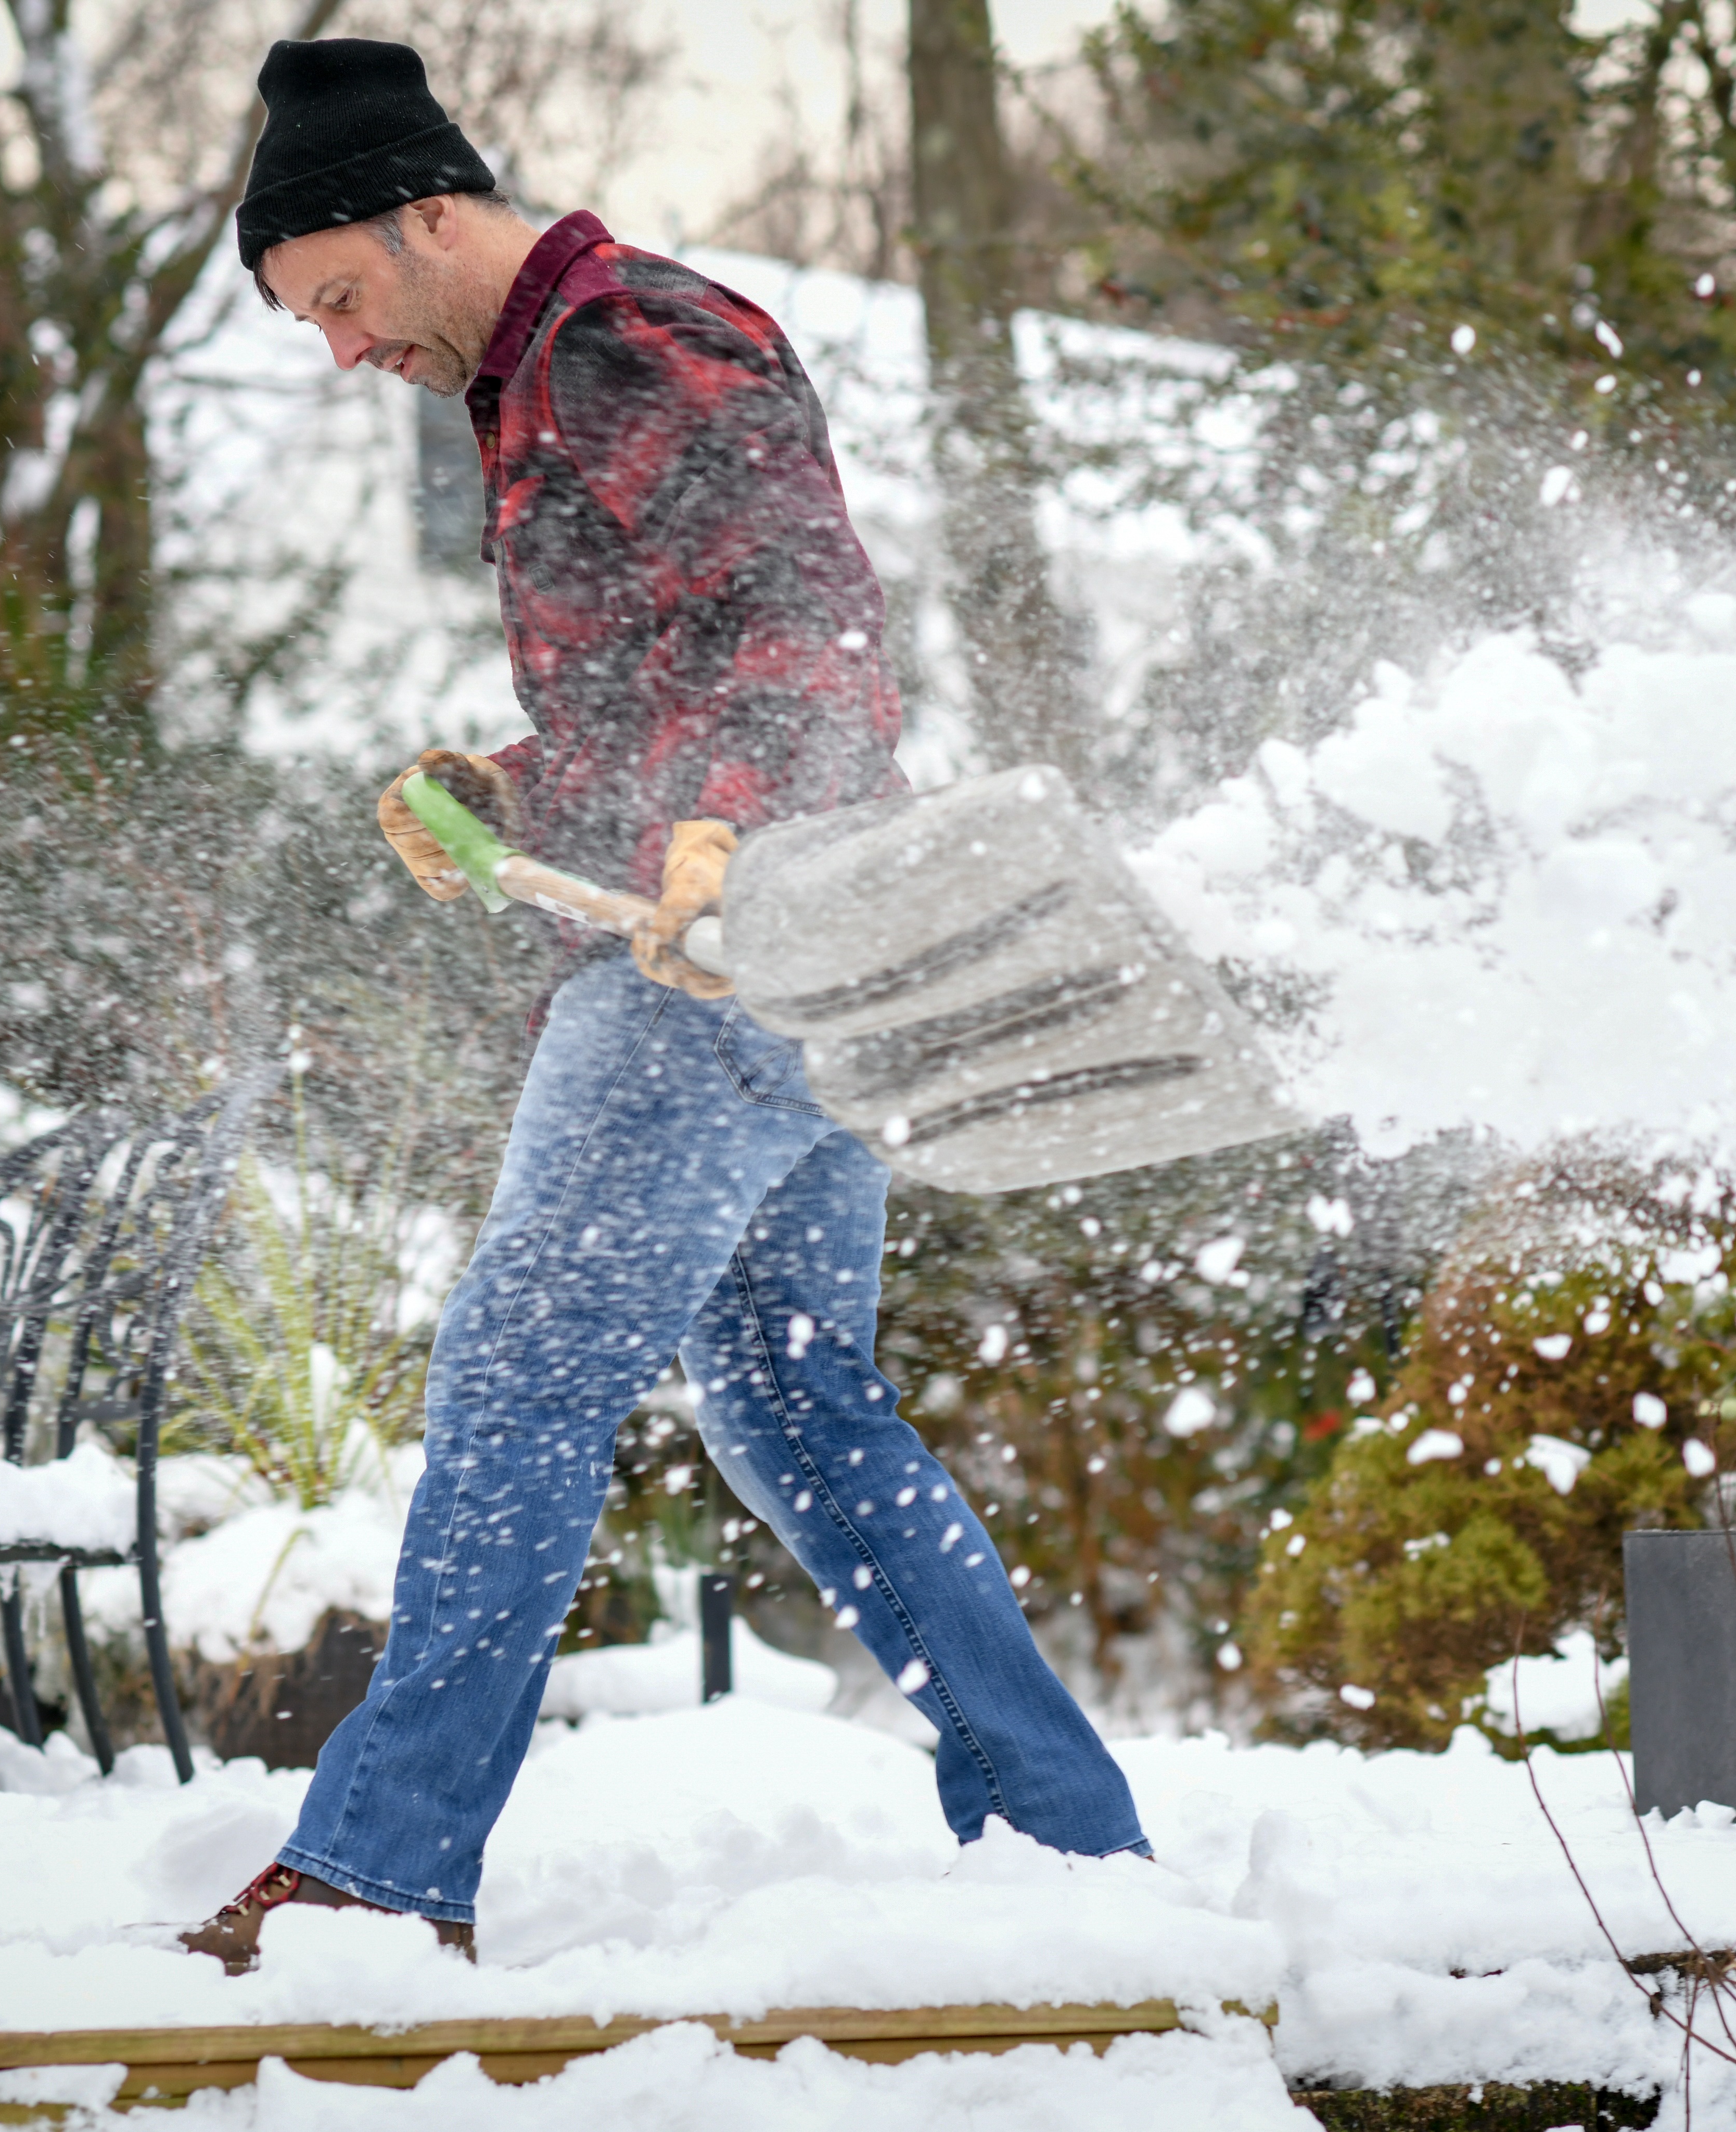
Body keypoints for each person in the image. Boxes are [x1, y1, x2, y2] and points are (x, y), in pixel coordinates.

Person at [181, 38, 1146, 1972]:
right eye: (310, 325)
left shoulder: (625, 337)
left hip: (727, 959)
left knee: (519, 1381)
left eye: (344, 298)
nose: (346, 351)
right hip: (782, 941)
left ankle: (381, 1871)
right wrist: (511, 791)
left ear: (429, 215)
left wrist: (729, 833)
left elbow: (800, 619)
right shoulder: (548, 373)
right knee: (797, 1400)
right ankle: (1067, 1842)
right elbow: (673, 679)